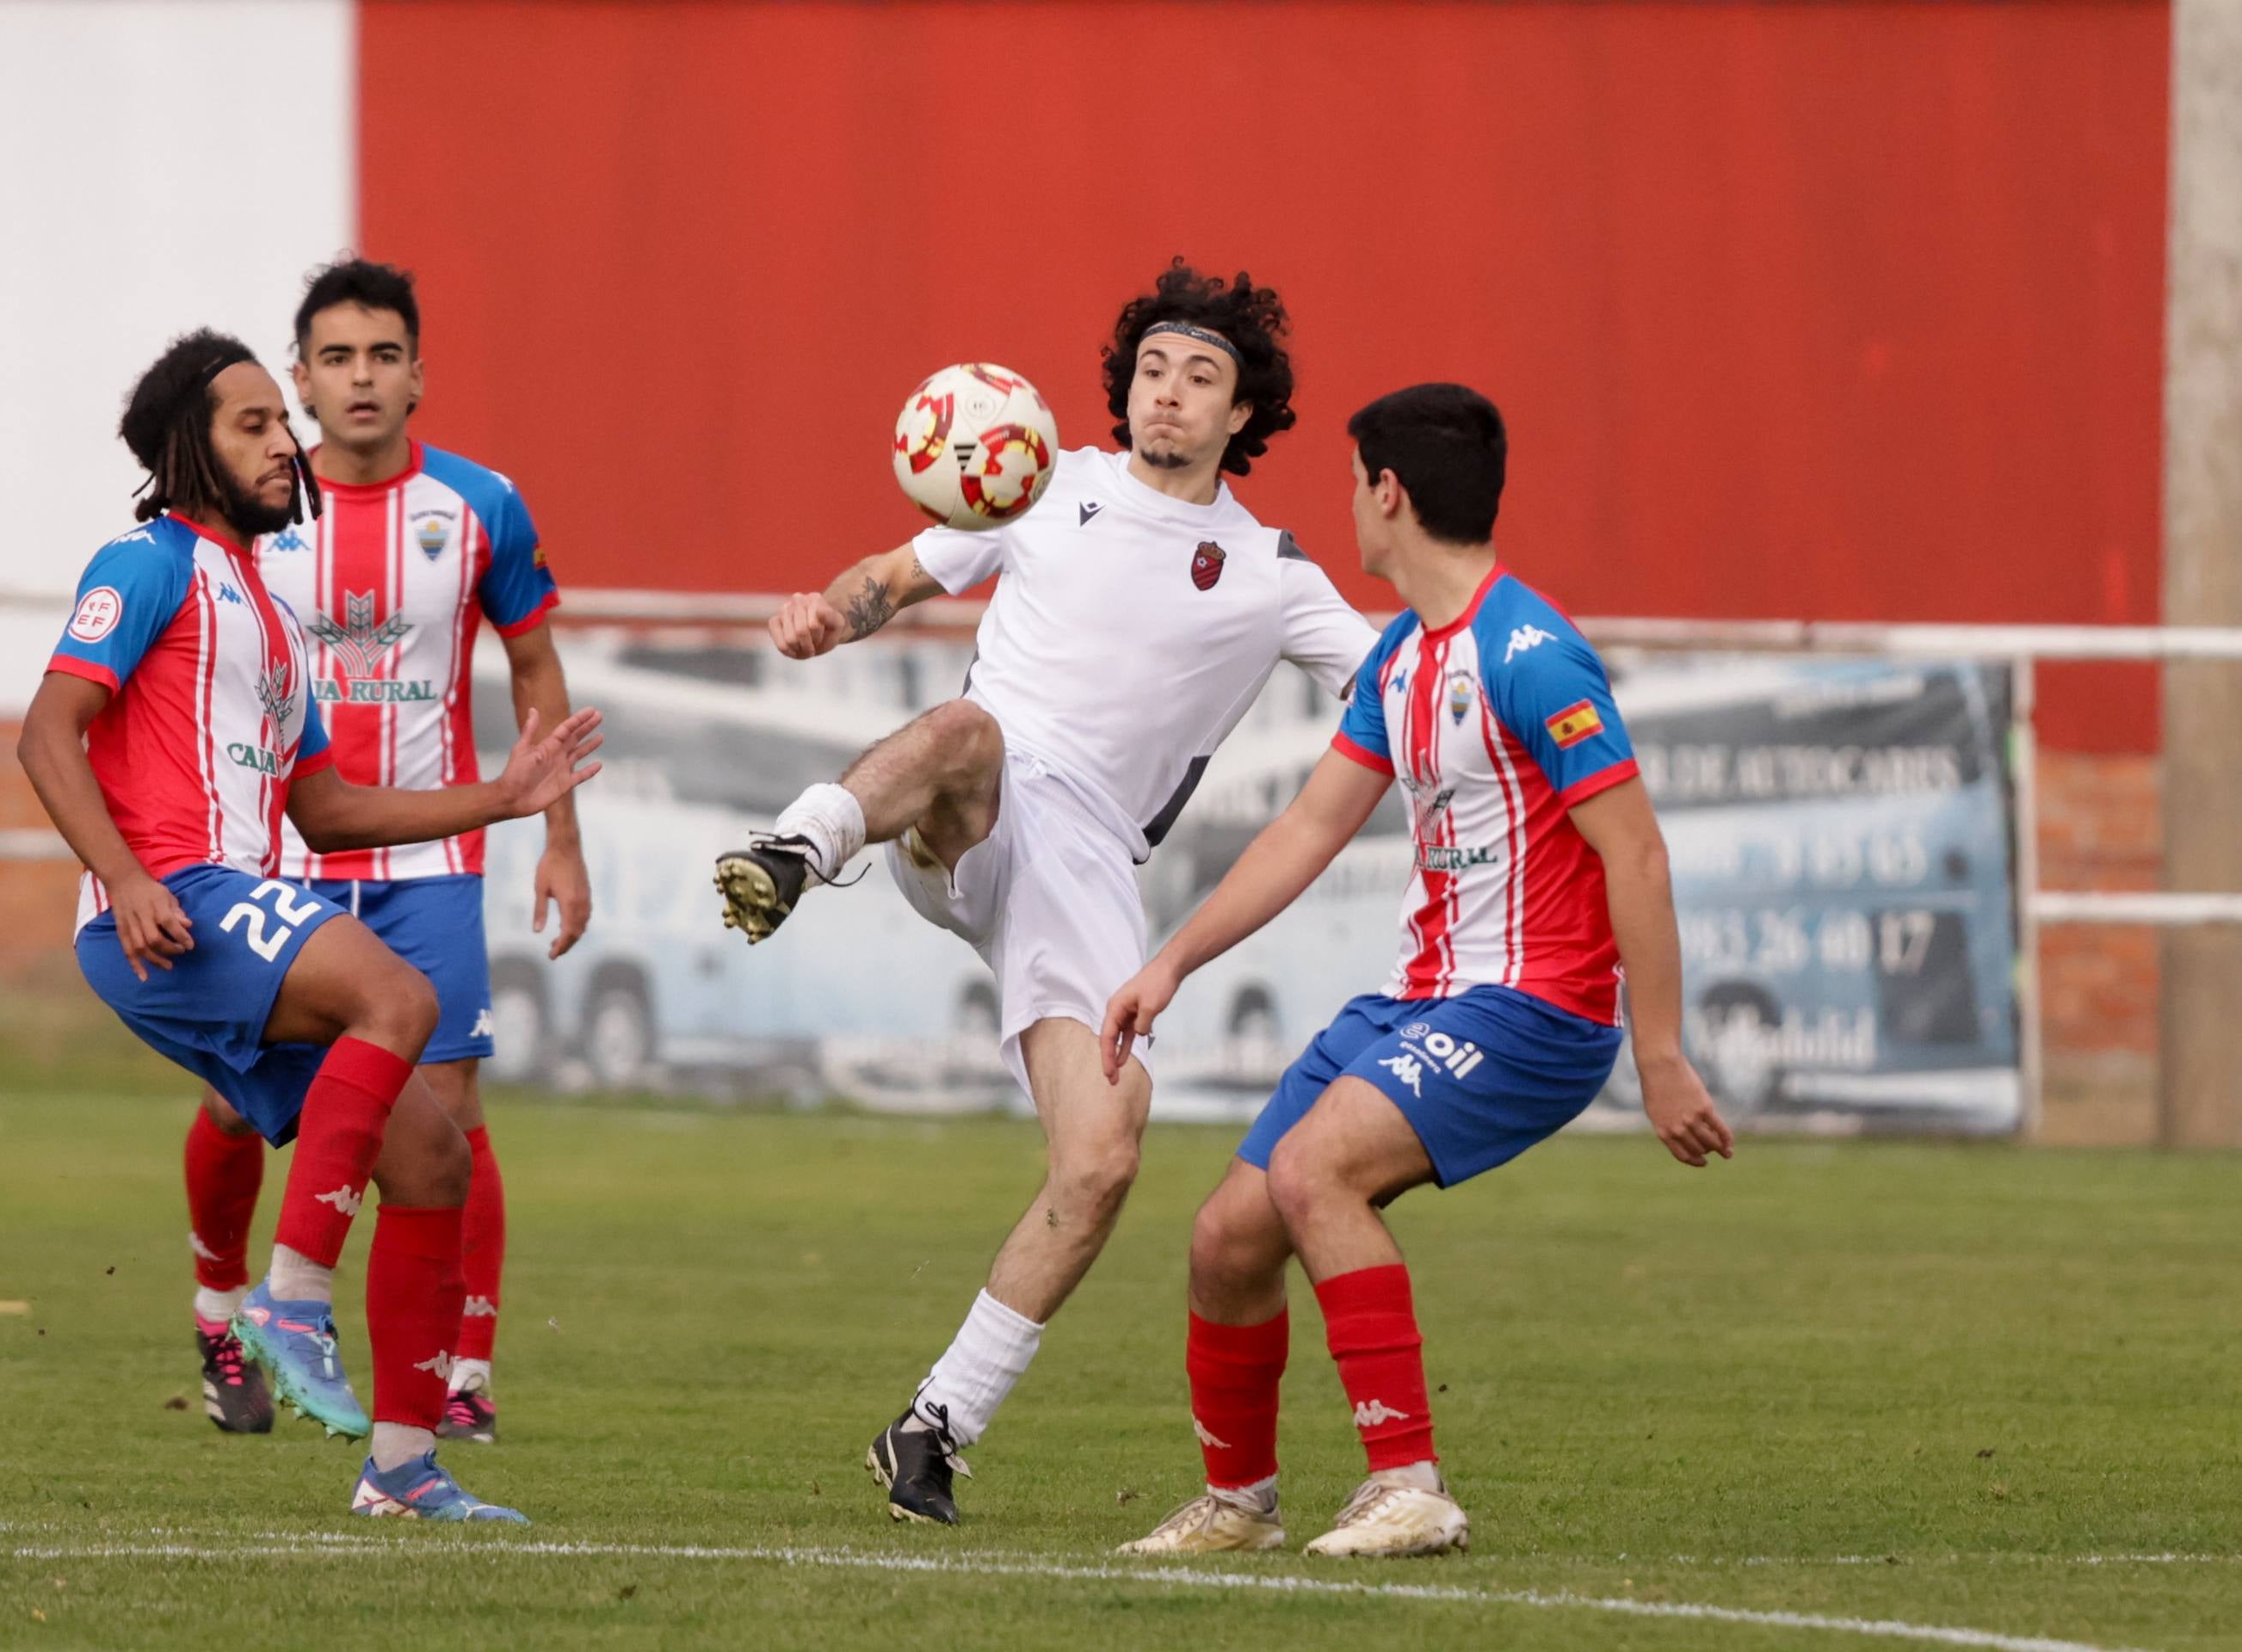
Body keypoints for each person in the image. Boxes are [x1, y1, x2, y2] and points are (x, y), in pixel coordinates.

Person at [711, 262, 1380, 1525]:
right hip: (973, 792)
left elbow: (1395, 686)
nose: (1167, 395)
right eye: (1151, 370)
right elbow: (892, 578)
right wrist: (824, 618)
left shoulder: (1271, 572)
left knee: (1104, 1156)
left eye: (1200, 377)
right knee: (970, 728)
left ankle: (933, 1426)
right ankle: (795, 849)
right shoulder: (1041, 480)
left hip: (1081, 871)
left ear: (1244, 415)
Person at [1103, 382, 1733, 1559]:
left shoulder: (1530, 656)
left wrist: (1658, 1054)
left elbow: (1634, 850)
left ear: (1387, 494)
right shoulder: (1400, 656)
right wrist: (1170, 962)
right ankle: (1237, 1505)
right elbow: (1304, 829)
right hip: (1420, 1001)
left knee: (1311, 1173)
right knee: (1225, 1238)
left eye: (1353, 482)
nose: (1348, 503)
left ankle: (1408, 1483)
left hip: (1534, 1011)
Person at [17, 329, 600, 1522]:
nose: (287, 443)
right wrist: (125, 878)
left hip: (223, 897)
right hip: (173, 899)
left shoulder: (272, 621)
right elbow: (45, 734)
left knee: (433, 1158)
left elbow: (329, 812)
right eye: (253, 425)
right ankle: (288, 1293)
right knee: (401, 998)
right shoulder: (145, 563)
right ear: (190, 451)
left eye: (283, 422)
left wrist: (504, 794)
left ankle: (399, 1472)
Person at [181, 259, 587, 1446]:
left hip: (429, 863)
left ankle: (460, 1368)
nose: (362, 378)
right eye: (337, 357)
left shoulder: (478, 507)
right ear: (299, 379)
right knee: (242, 1101)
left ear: (419, 372)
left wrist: (558, 837)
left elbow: (534, 664)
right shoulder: (253, 505)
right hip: (277, 856)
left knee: (451, 1108)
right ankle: (221, 1313)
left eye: (384, 355)